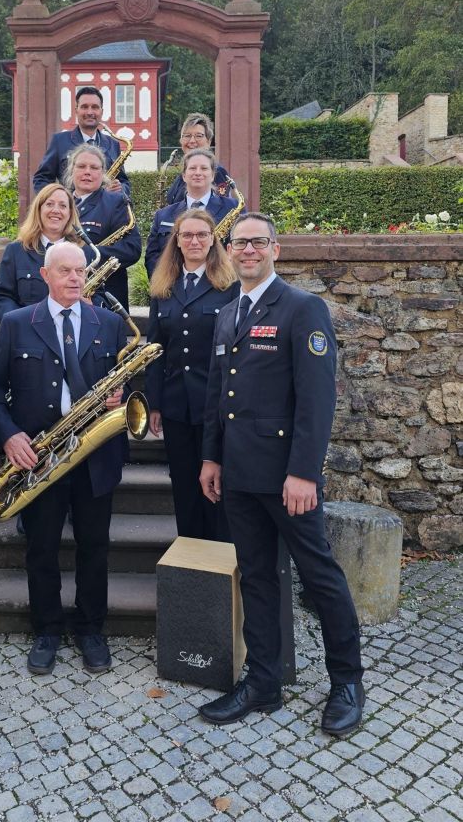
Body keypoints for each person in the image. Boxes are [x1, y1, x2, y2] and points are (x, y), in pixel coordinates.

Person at [198, 212, 364, 736]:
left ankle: (347, 681)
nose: (248, 250)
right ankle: (263, 681)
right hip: (240, 475)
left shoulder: (301, 308)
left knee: (319, 576)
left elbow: (317, 401)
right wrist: (211, 457)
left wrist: (304, 473)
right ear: (229, 251)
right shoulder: (227, 314)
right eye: (239, 243)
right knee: (257, 578)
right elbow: (216, 397)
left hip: (287, 479)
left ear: (276, 249)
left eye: (257, 242)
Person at [0, 242, 128, 677]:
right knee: (40, 548)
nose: (75, 278)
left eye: (80, 271)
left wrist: (123, 397)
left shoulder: (111, 324)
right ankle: (46, 631)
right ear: (45, 275)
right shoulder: (18, 324)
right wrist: (9, 438)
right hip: (39, 459)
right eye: (65, 271)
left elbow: (132, 390)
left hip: (95, 454)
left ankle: (91, 630)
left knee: (94, 548)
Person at [146, 209, 238, 541]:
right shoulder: (162, 286)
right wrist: (155, 403)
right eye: (187, 235)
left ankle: (218, 566)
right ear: (177, 241)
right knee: (184, 486)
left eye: (202, 234)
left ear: (214, 240)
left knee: (216, 487)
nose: (195, 240)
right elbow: (154, 350)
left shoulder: (230, 287)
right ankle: (189, 563)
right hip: (175, 407)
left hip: (215, 405)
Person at [0, 183, 85, 322]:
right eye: (49, 204)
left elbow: (98, 295)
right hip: (28, 334)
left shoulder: (83, 251)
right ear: (38, 210)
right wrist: (20, 325)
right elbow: (2, 296)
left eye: (63, 206)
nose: (56, 210)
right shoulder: (16, 251)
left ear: (70, 213)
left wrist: (91, 302)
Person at [64, 143, 141, 310]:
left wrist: (86, 254)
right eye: (81, 166)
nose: (87, 172)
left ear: (103, 173)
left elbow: (132, 249)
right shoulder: (59, 202)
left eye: (94, 167)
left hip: (104, 300)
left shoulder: (116, 202)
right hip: (62, 297)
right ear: (72, 170)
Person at [145, 149, 238, 278]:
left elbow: (239, 249)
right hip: (175, 289)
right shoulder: (163, 215)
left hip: (221, 287)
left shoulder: (233, 208)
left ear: (212, 175)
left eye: (204, 168)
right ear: (184, 175)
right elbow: (152, 257)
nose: (198, 173)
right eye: (192, 168)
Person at [32, 86, 131, 198]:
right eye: (84, 107)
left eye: (95, 107)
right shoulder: (59, 141)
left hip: (105, 213)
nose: (90, 112)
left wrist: (120, 189)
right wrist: (59, 200)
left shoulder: (113, 144)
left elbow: (124, 181)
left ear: (101, 112)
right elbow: (41, 179)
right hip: (71, 212)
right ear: (76, 110)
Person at [164, 113, 231, 206]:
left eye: (198, 136)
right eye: (187, 136)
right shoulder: (185, 170)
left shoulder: (217, 171)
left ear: (209, 141)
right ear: (181, 140)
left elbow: (222, 209)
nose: (192, 141)